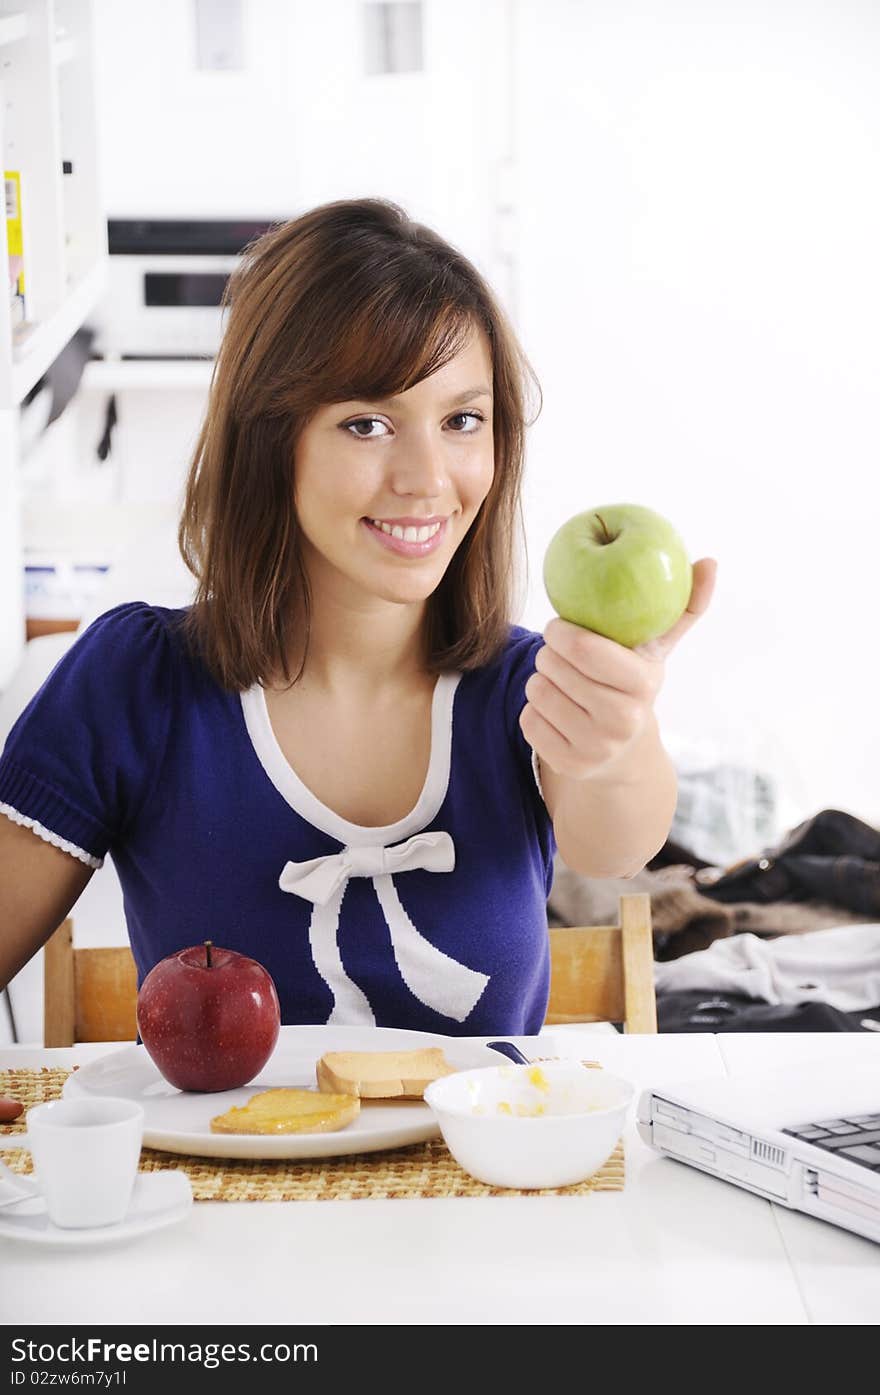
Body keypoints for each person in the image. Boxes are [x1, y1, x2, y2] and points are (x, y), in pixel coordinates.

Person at [0, 198, 716, 1035]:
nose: (426, 476)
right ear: (272, 439)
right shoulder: (137, 678)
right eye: (367, 423)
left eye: (462, 420)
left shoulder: (524, 688)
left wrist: (620, 731)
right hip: (217, 1169)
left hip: (480, 1168)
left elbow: (615, 845)